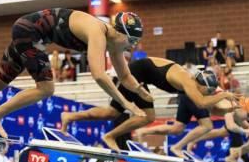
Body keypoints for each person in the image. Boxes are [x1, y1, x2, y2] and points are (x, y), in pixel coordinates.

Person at [0, 9, 150, 138]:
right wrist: (126, 104)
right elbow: (99, 75)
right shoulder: (98, 32)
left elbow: (125, 77)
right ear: (120, 33)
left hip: (28, 31)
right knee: (46, 88)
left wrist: (140, 93)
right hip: (29, 32)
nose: (131, 46)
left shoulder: (116, 45)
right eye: (131, 41)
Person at [60, 57, 239, 152]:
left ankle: (69, 117)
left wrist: (233, 108)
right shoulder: (189, 83)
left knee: (112, 112)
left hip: (139, 74)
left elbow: (211, 107)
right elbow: (202, 102)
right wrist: (224, 93)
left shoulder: (195, 86)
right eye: (208, 92)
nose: (205, 94)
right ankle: (111, 136)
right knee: (148, 116)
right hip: (135, 74)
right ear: (203, 86)